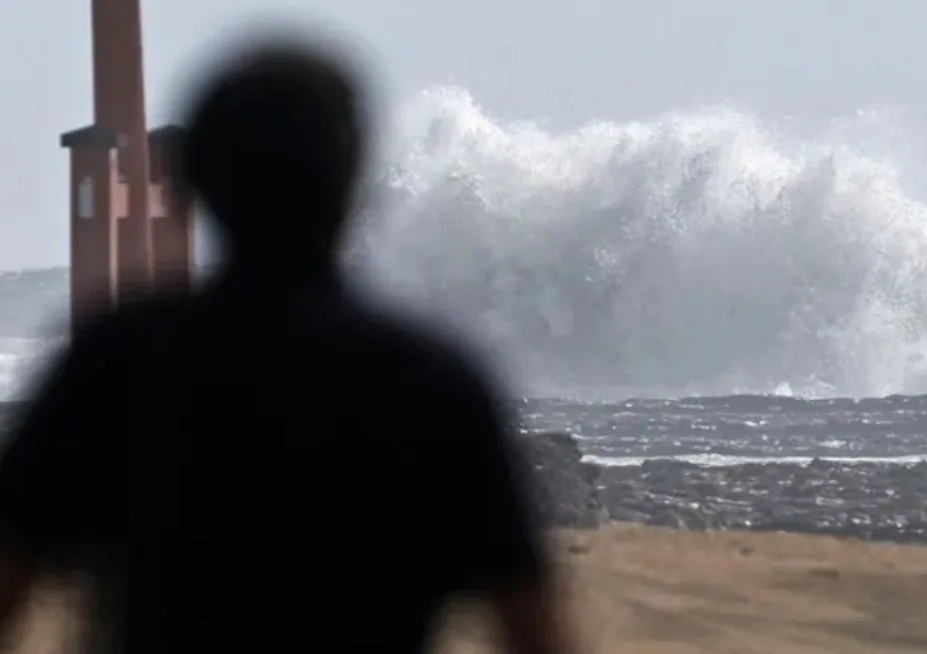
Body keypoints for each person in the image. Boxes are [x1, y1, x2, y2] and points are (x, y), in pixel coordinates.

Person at [0, 37, 578, 654]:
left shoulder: (117, 365)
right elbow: (534, 628)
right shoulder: (431, 385)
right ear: (355, 183)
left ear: (188, 181)